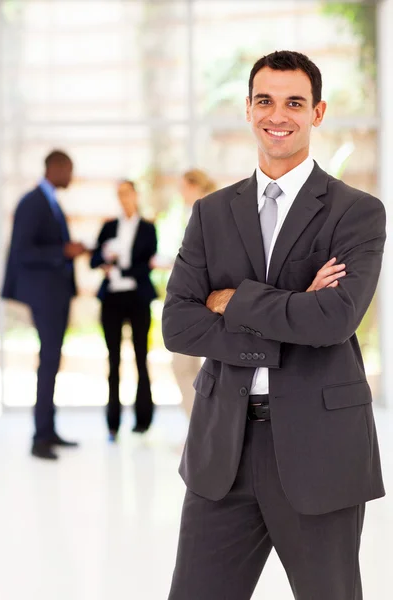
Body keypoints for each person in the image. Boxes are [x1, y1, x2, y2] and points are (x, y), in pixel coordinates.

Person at [162, 50, 386, 599]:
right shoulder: (211, 213)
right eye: (265, 100)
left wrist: (232, 299)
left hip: (319, 449)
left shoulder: (355, 211)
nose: (277, 115)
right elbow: (178, 326)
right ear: (247, 109)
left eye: (294, 102)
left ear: (318, 112)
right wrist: (292, 310)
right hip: (224, 452)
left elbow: (333, 319)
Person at [2, 150, 85, 460]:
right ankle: (40, 438)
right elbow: (22, 252)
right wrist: (62, 251)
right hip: (45, 295)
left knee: (52, 362)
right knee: (48, 362)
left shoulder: (49, 201)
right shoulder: (32, 202)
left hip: (56, 293)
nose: (71, 177)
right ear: (56, 168)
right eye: (69, 170)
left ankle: (48, 430)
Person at [91, 180, 157, 440]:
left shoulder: (148, 228)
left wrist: (120, 268)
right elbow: (94, 259)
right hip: (112, 300)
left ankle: (143, 419)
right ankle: (113, 422)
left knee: (141, 357)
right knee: (113, 360)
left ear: (135, 195)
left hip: (138, 298)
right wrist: (106, 259)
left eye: (127, 193)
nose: (123, 198)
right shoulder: (109, 226)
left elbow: (148, 263)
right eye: (119, 194)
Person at [172, 170, 216, 418]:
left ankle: (198, 429)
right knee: (188, 366)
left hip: (201, 303)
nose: (180, 192)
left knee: (183, 365)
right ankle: (199, 430)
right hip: (199, 300)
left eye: (182, 186)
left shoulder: (207, 210)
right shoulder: (204, 210)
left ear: (192, 186)